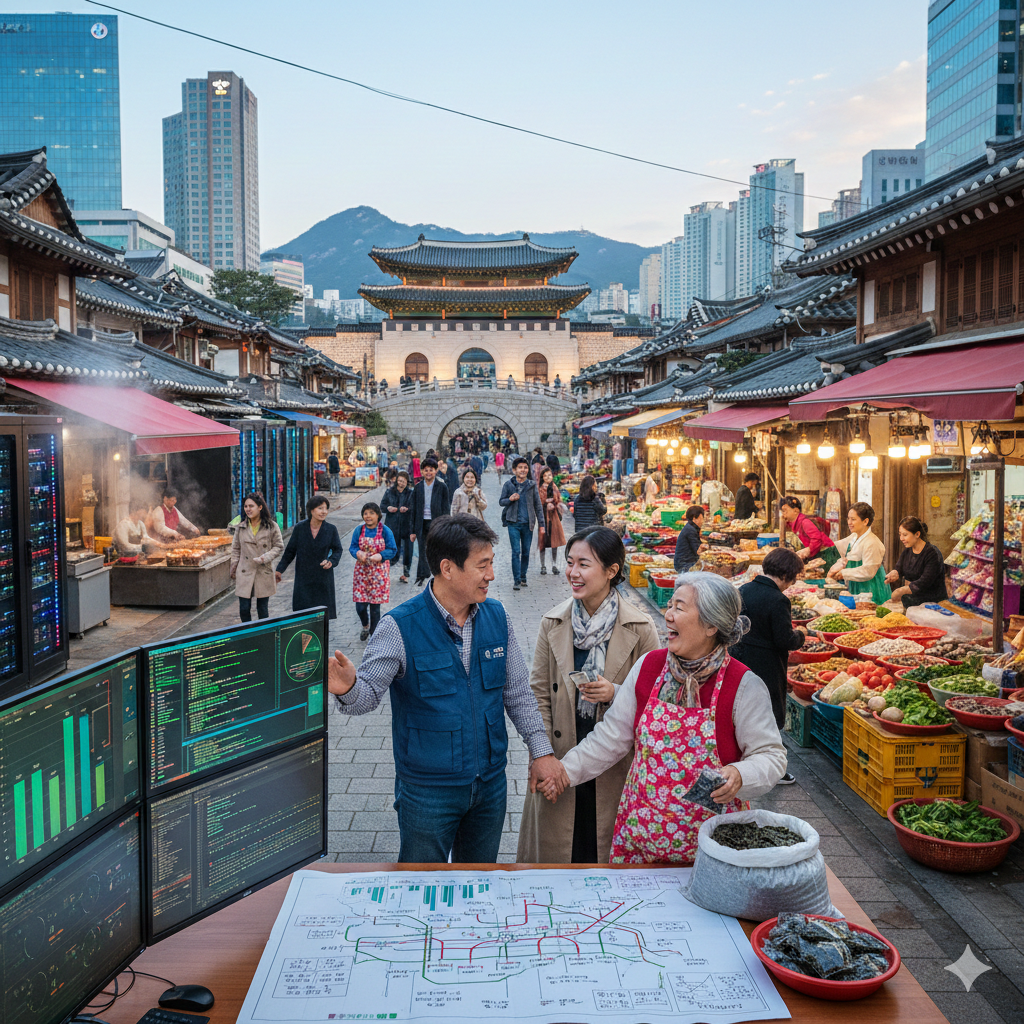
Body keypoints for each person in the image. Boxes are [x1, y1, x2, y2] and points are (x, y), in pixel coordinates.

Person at [325, 514, 562, 863]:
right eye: (482, 566)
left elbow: (518, 694)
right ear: (448, 568)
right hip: (427, 792)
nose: (491, 576)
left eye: (491, 564)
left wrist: (541, 752)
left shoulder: (497, 616)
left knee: (479, 884)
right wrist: (347, 688)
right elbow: (367, 696)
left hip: (490, 785)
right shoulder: (398, 626)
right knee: (421, 887)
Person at [536, 572, 787, 863]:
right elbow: (611, 737)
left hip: (711, 852)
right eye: (670, 605)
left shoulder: (743, 685)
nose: (668, 615)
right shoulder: (649, 667)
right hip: (640, 844)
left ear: (711, 625)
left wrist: (741, 774)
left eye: (679, 608)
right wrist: (564, 772)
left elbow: (771, 755)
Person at [518, 527, 660, 863]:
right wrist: (541, 755)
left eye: (584, 564)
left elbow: (656, 703)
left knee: (602, 854)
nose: (573, 573)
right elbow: (538, 693)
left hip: (613, 763)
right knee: (558, 856)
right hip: (560, 754)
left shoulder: (640, 629)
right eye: (570, 563)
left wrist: (616, 692)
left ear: (611, 571)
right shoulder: (553, 622)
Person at [729, 547, 806, 784]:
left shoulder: (743, 589)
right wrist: (801, 635)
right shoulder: (778, 599)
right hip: (767, 665)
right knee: (769, 716)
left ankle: (739, 757)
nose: (791, 585)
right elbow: (784, 639)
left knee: (740, 708)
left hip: (739, 659)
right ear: (786, 575)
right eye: (792, 579)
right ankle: (774, 769)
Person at [276, 495, 343, 626]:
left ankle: (320, 646)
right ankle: (304, 645)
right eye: (320, 508)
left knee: (321, 620)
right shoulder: (300, 528)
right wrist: (279, 569)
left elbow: (338, 550)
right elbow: (290, 551)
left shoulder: (331, 529)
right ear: (311, 510)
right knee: (303, 619)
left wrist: (331, 561)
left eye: (326, 508)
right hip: (303, 580)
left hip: (323, 579)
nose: (324, 511)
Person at [230, 492, 284, 622]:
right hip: (245, 571)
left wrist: (265, 557)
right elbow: (236, 548)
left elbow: (278, 546)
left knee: (262, 609)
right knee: (244, 608)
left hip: (263, 570)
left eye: (251, 506)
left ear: (260, 507)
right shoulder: (241, 527)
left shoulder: (271, 526)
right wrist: (234, 565)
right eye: (246, 506)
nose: (248, 509)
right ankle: (247, 635)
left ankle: (263, 636)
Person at [349, 502, 398, 641]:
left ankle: (373, 637)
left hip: (379, 574)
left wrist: (381, 556)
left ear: (378, 515)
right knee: (360, 606)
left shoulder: (385, 531)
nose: (368, 516)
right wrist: (358, 553)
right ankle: (365, 625)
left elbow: (392, 549)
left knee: (375, 609)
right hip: (362, 574)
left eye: (371, 513)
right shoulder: (359, 530)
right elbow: (352, 547)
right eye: (365, 513)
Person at [827, 501, 892, 603]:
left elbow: (868, 571)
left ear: (865, 521)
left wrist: (843, 573)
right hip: (856, 586)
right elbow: (835, 547)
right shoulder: (854, 537)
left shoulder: (872, 542)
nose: (849, 522)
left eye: (853, 519)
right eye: (848, 518)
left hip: (870, 588)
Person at [499, 457, 545, 591]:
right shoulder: (508, 485)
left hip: (528, 524)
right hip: (513, 523)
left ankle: (523, 576)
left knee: (525, 552)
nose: (523, 470)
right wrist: (510, 499)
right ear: (514, 470)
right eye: (520, 467)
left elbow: (538, 505)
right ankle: (517, 580)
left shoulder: (531, 485)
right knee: (516, 551)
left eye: (525, 467)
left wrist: (541, 524)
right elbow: (501, 501)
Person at [885, 516, 948, 608]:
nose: (901, 538)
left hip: (932, 605)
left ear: (917, 534)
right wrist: (895, 573)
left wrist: (900, 591)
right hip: (911, 603)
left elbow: (924, 582)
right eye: (900, 534)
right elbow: (899, 568)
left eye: (905, 535)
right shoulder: (907, 551)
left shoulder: (932, 553)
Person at [411, 457, 451, 586]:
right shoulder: (417, 488)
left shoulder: (442, 486)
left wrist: (445, 527)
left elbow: (446, 508)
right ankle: (422, 574)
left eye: (431, 470)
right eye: (426, 470)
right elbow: (413, 509)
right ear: (422, 471)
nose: (429, 472)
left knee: (435, 549)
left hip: (436, 522)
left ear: (436, 471)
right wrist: (412, 530)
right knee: (422, 549)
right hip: (421, 522)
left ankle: (437, 574)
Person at [779, 496, 840, 572]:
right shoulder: (795, 522)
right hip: (818, 552)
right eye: (782, 511)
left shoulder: (805, 522)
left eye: (785, 511)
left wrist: (808, 550)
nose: (783, 514)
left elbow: (817, 539)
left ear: (795, 511)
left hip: (827, 553)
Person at [383, 470, 414, 583]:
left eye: (404, 481)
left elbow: (414, 508)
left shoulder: (410, 493)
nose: (401, 483)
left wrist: (407, 509)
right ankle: (386, 572)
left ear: (407, 482)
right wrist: (388, 508)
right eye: (400, 481)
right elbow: (382, 506)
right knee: (391, 548)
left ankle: (406, 573)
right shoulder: (389, 492)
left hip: (407, 524)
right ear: (396, 480)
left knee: (407, 550)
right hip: (392, 524)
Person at [537, 466, 566, 574]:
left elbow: (559, 500)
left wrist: (555, 504)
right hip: (544, 518)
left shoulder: (554, 487)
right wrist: (545, 504)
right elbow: (538, 504)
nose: (547, 477)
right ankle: (543, 565)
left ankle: (554, 565)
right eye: (545, 475)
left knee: (555, 543)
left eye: (549, 475)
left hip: (554, 518)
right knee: (543, 542)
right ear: (542, 477)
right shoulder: (540, 489)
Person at [674, 505, 707, 574]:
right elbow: (698, 551)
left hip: (684, 563)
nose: (702, 521)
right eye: (701, 518)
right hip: (685, 565)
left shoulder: (690, 527)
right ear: (694, 518)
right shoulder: (690, 530)